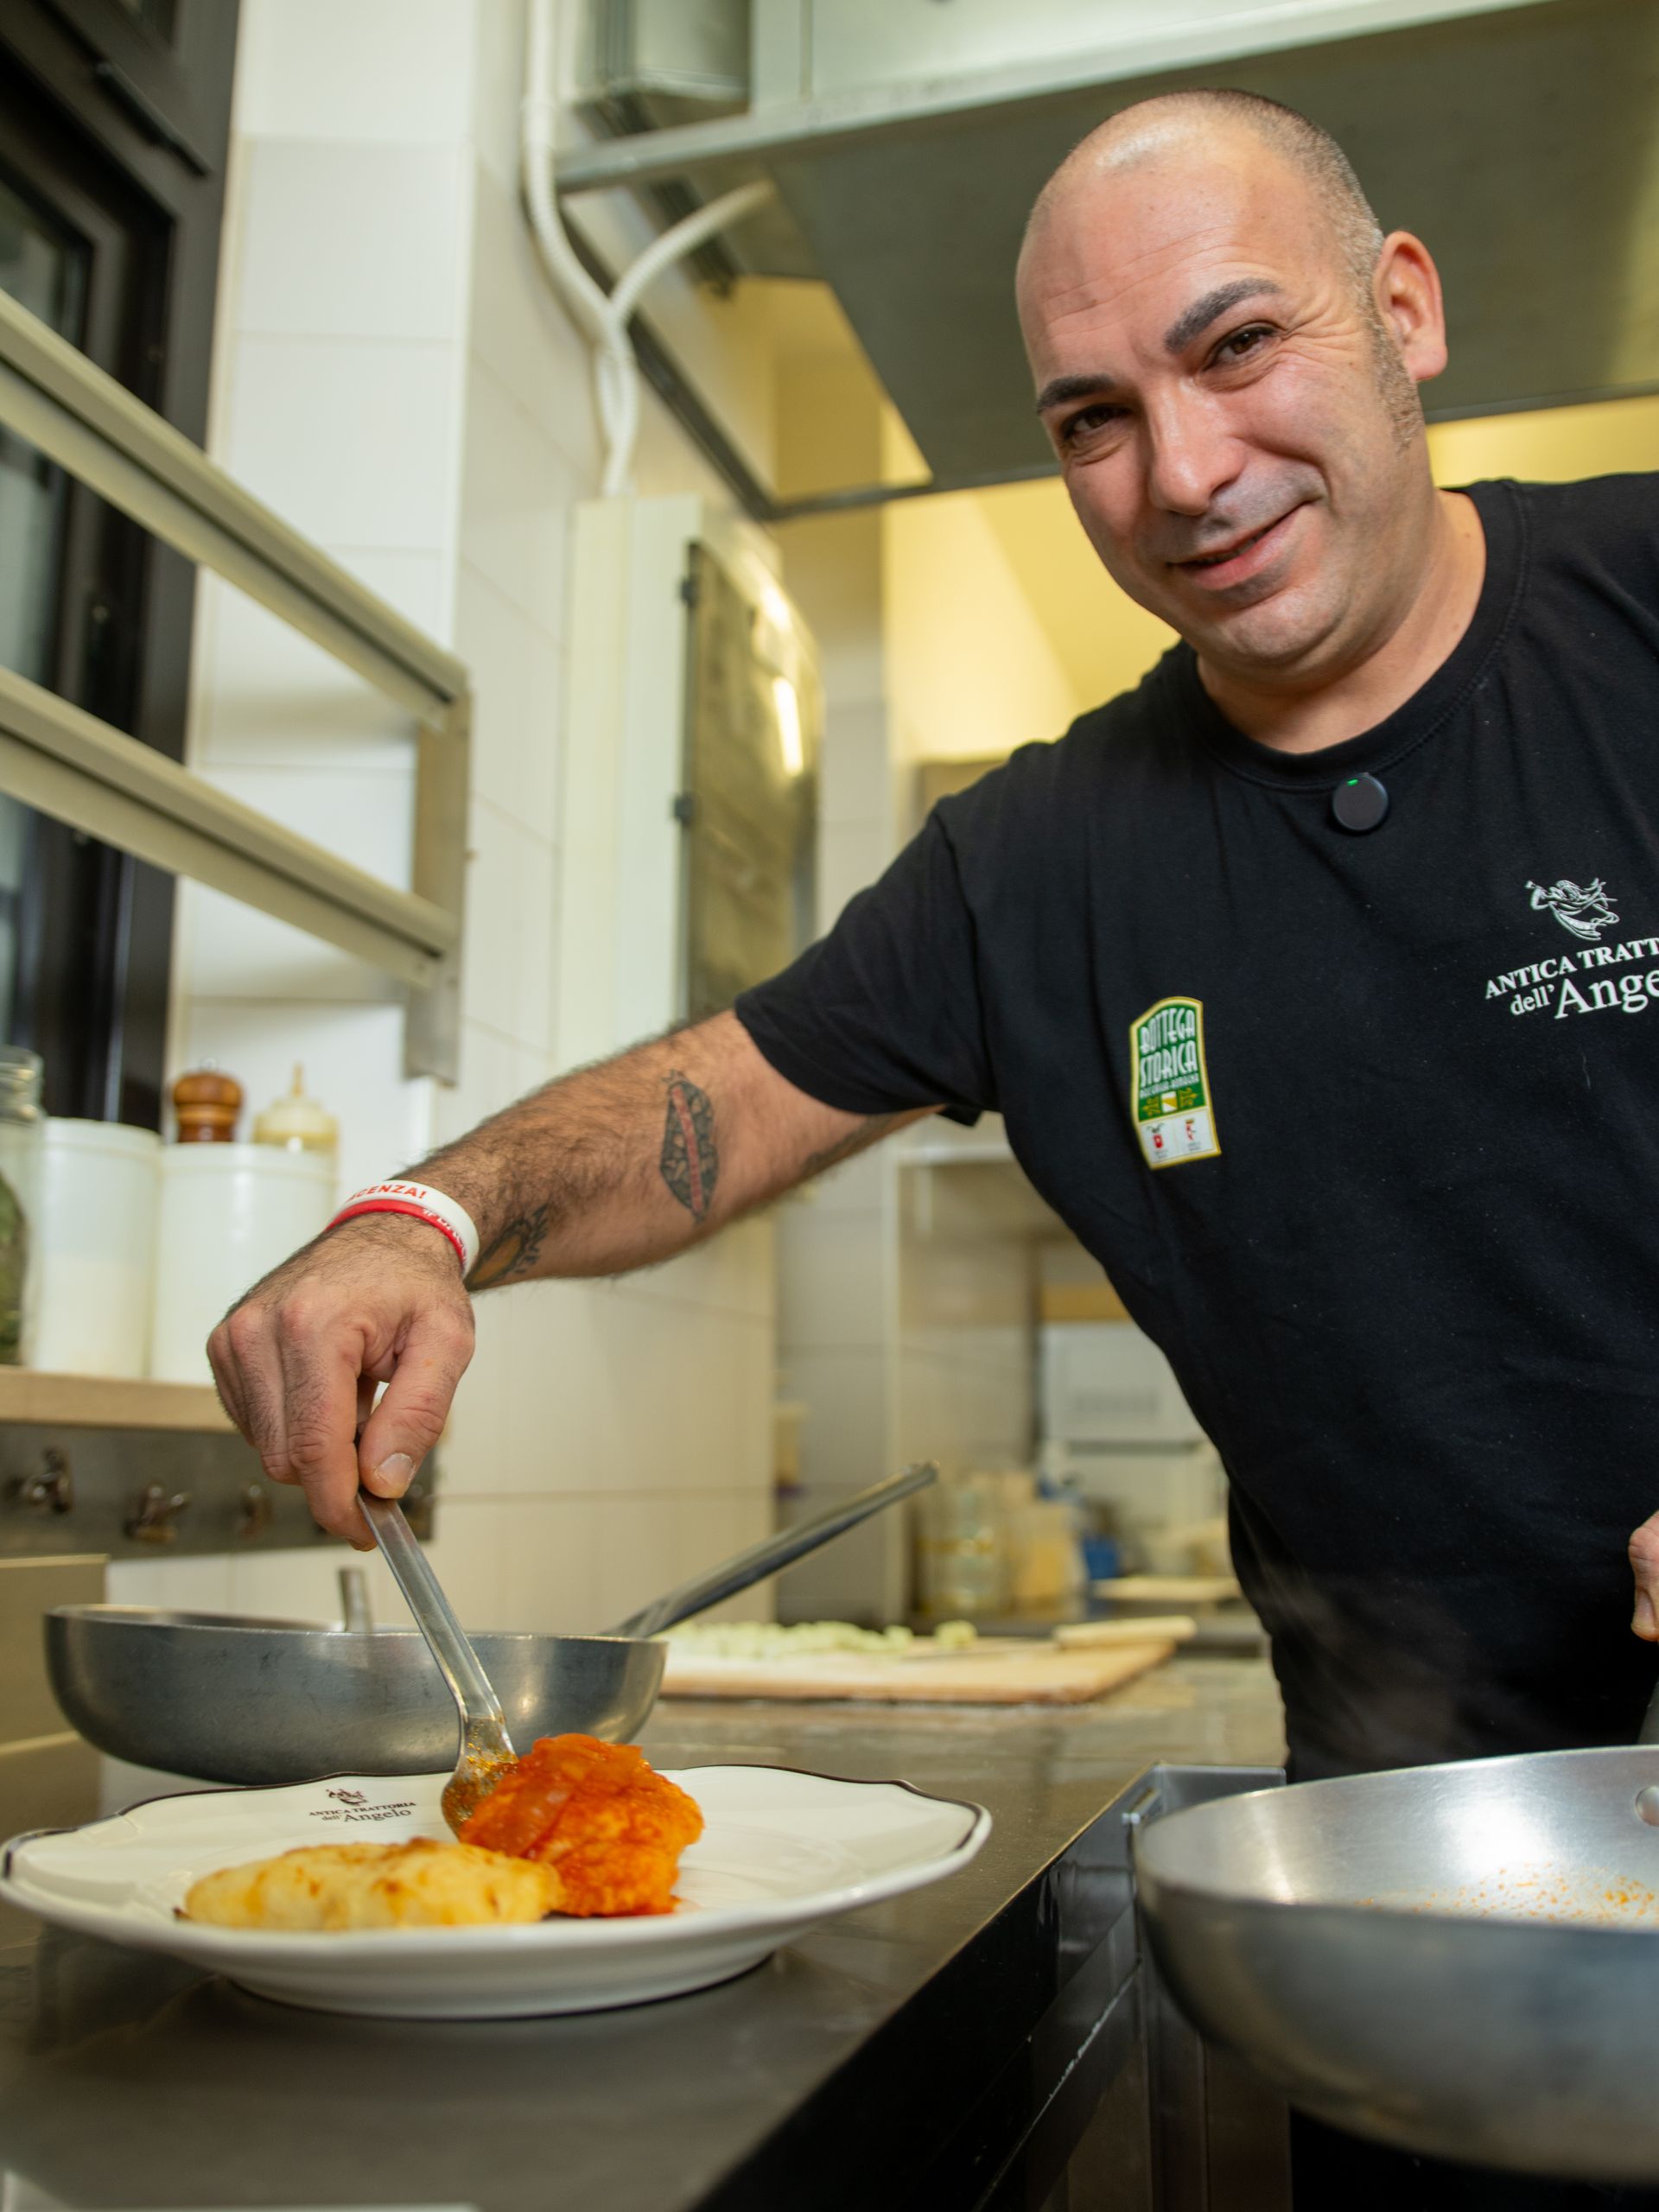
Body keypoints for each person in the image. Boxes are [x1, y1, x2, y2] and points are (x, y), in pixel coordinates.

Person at [212, 90, 1659, 2206]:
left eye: (1239, 345)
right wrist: (421, 1217)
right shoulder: (1037, 864)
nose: (1184, 473)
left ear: (1406, 310)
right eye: (1094, 418)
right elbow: (711, 1104)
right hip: (1421, 1897)